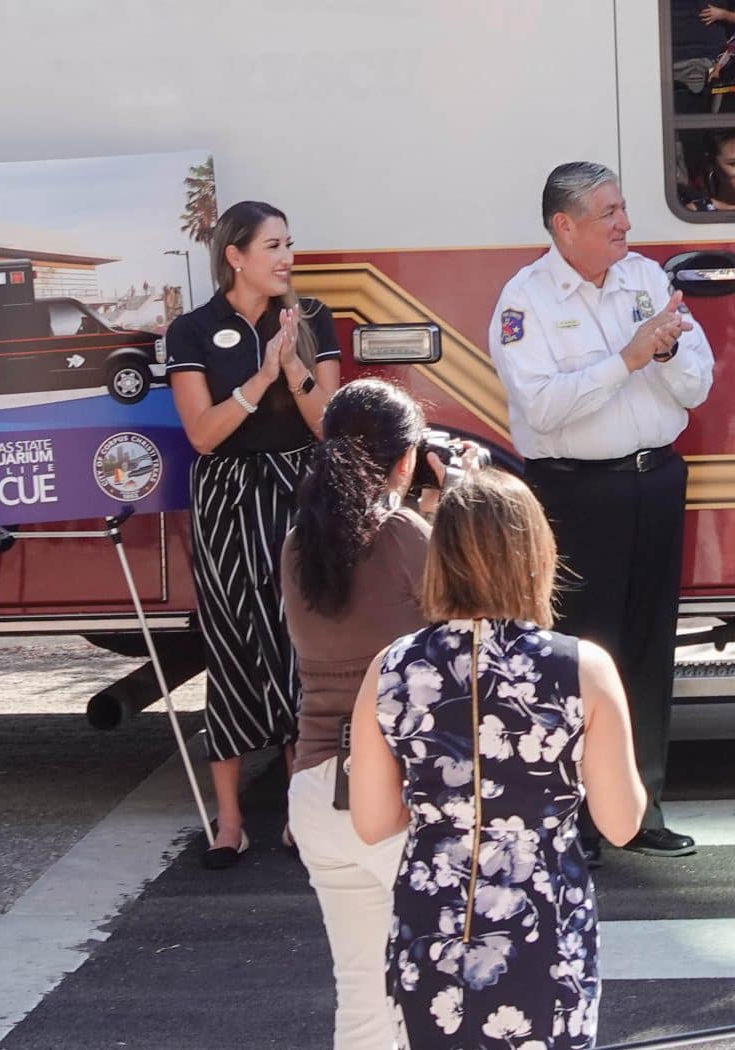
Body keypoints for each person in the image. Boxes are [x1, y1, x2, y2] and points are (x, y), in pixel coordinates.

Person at [348, 468, 645, 1050]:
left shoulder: (390, 668)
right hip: (542, 911)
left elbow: (372, 821)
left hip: (431, 912)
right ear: (535, 554)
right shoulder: (582, 667)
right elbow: (622, 822)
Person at [490, 162, 713, 856]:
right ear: (565, 225)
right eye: (609, 212)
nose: (625, 223)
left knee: (648, 653)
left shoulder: (646, 280)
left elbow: (698, 385)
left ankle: (641, 811)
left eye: (623, 209)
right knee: (581, 658)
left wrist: (668, 351)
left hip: (655, 481)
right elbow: (545, 406)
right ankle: (572, 820)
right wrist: (627, 358)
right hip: (577, 493)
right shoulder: (523, 303)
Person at [283, 379, 476, 1049]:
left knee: (364, 1002)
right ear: (405, 458)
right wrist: (455, 507)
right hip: (401, 789)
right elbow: (473, 635)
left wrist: (421, 509)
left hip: (317, 788)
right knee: (448, 997)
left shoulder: (300, 544)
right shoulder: (405, 535)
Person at [166, 200, 342, 868]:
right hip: (226, 496)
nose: (286, 257)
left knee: (299, 638)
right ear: (234, 256)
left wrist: (290, 364)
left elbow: (328, 424)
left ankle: (302, 808)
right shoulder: (191, 331)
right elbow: (203, 435)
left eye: (288, 244)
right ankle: (230, 819)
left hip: (299, 488)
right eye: (272, 245)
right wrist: (257, 379)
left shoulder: (311, 319)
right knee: (233, 638)